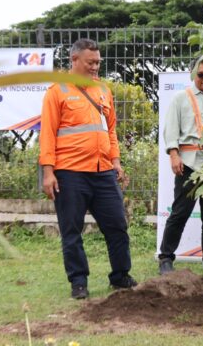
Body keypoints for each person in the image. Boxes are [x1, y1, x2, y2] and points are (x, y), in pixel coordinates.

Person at [39, 38, 136, 300]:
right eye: (90, 62)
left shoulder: (103, 91)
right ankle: (78, 282)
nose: (95, 67)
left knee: (117, 225)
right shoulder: (57, 91)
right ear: (74, 60)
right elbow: (47, 134)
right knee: (72, 231)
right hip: (69, 173)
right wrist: (48, 172)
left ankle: (120, 276)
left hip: (103, 170)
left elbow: (110, 129)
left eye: (98, 63)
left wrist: (115, 161)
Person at [157, 57, 203, 275]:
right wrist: (173, 154)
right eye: (201, 75)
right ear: (193, 75)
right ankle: (166, 258)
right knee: (180, 212)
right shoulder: (181, 98)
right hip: (190, 164)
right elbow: (171, 129)